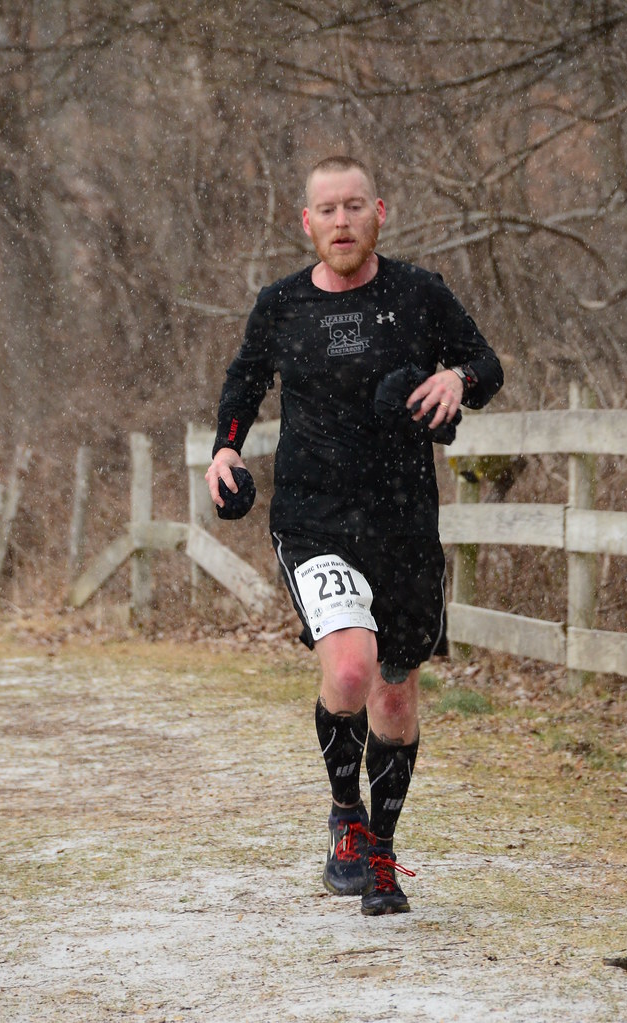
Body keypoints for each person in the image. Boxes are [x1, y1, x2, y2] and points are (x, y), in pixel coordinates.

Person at [206, 155, 503, 916]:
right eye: (325, 211)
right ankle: (347, 819)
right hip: (315, 518)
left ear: (379, 212)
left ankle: (382, 850)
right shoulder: (280, 305)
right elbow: (245, 382)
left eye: (352, 208)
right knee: (347, 671)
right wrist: (226, 449)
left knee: (395, 695)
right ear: (305, 223)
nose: (340, 222)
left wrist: (456, 381)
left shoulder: (418, 293)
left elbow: (485, 362)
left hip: (404, 522)